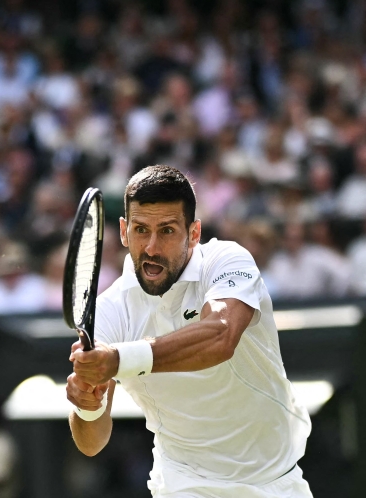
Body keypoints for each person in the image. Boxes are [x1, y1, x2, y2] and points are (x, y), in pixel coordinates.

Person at [67, 165, 313, 497]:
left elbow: (220, 335)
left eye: (167, 231)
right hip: (183, 484)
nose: (151, 247)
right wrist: (87, 404)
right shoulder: (110, 311)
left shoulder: (228, 261)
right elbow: (91, 442)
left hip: (275, 481)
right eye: (141, 230)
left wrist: (120, 359)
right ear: (124, 231)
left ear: (194, 233)